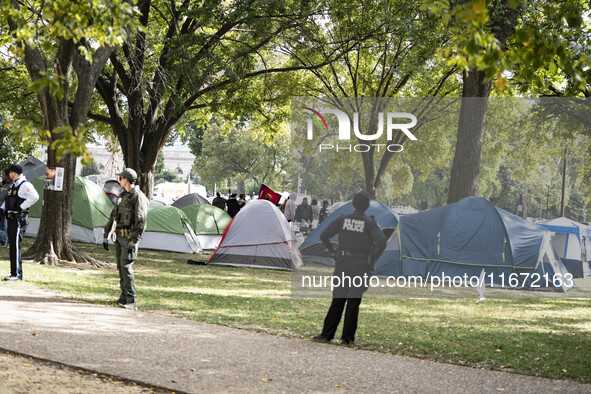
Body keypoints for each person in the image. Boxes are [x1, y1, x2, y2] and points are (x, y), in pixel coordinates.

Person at [313, 191, 386, 345]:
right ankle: (347, 338)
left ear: (353, 204)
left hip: (343, 263)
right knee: (353, 302)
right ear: (367, 206)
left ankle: (327, 334)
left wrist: (333, 252)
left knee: (337, 299)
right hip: (360, 266)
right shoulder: (370, 223)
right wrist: (373, 258)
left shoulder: (342, 219)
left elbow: (324, 235)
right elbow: (382, 242)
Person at [103, 169, 148, 311]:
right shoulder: (123, 196)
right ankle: (123, 297)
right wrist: (106, 235)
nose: (119, 180)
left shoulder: (138, 197)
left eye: (121, 178)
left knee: (127, 267)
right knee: (121, 267)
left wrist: (134, 241)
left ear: (126, 179)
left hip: (129, 239)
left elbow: (141, 221)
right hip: (119, 237)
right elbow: (113, 216)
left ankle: (131, 300)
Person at [1, 164, 39, 281]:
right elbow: (7, 201)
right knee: (13, 246)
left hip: (18, 220)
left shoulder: (25, 185)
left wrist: (20, 208)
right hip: (11, 219)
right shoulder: (14, 185)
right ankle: (14, 273)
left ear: (14, 173)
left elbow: (34, 197)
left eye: (11, 172)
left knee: (15, 247)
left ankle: (16, 274)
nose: (9, 175)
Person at [0, 169, 12, 247]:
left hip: (5, 209)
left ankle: (4, 242)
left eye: (4, 175)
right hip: (0, 208)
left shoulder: (11, 185)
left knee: (4, 225)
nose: (2, 176)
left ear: (8, 176)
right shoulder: (2, 184)